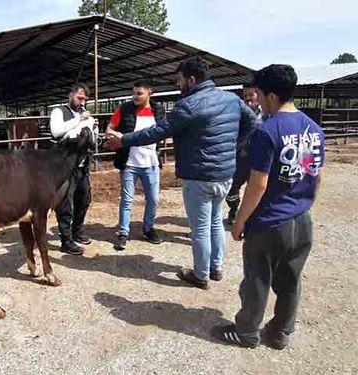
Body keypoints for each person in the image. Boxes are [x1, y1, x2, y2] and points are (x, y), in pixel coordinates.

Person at [105, 58, 257, 289]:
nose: (177, 85)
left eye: (179, 80)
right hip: (225, 174)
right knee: (216, 222)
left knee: (200, 228)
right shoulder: (231, 99)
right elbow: (253, 122)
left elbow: (158, 132)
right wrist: (232, 145)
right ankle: (216, 267)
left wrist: (124, 140)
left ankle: (200, 275)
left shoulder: (189, 105)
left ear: (192, 79)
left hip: (199, 176)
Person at [213, 64, 324, 350]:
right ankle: (280, 332)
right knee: (290, 279)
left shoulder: (267, 131)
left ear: (272, 96)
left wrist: (240, 221)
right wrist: (305, 203)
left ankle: (247, 332)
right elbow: (316, 175)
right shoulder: (314, 129)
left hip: (269, 222)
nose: (258, 100)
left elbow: (258, 184)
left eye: (260, 95)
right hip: (301, 219)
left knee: (258, 280)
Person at [106, 79, 166, 250]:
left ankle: (148, 229)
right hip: (129, 162)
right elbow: (109, 128)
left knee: (153, 199)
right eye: (133, 93)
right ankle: (123, 232)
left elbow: (163, 131)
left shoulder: (158, 110)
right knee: (127, 199)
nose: (135, 96)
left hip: (151, 162)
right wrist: (115, 134)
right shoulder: (124, 109)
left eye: (139, 93)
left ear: (149, 93)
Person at [49, 83, 95, 255]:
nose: (82, 101)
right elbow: (56, 132)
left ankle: (77, 231)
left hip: (82, 165)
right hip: (64, 166)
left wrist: (93, 131)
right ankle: (65, 240)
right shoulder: (59, 112)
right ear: (70, 95)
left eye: (84, 99)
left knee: (84, 199)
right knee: (65, 203)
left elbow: (90, 138)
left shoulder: (87, 117)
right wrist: (79, 119)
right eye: (79, 97)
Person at [224, 83, 263, 225]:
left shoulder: (267, 114)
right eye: (245, 96)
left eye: (251, 95)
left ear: (258, 95)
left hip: (259, 159)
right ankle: (233, 208)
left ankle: (251, 217)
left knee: (256, 189)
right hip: (240, 157)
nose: (248, 99)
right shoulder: (237, 114)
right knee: (231, 189)